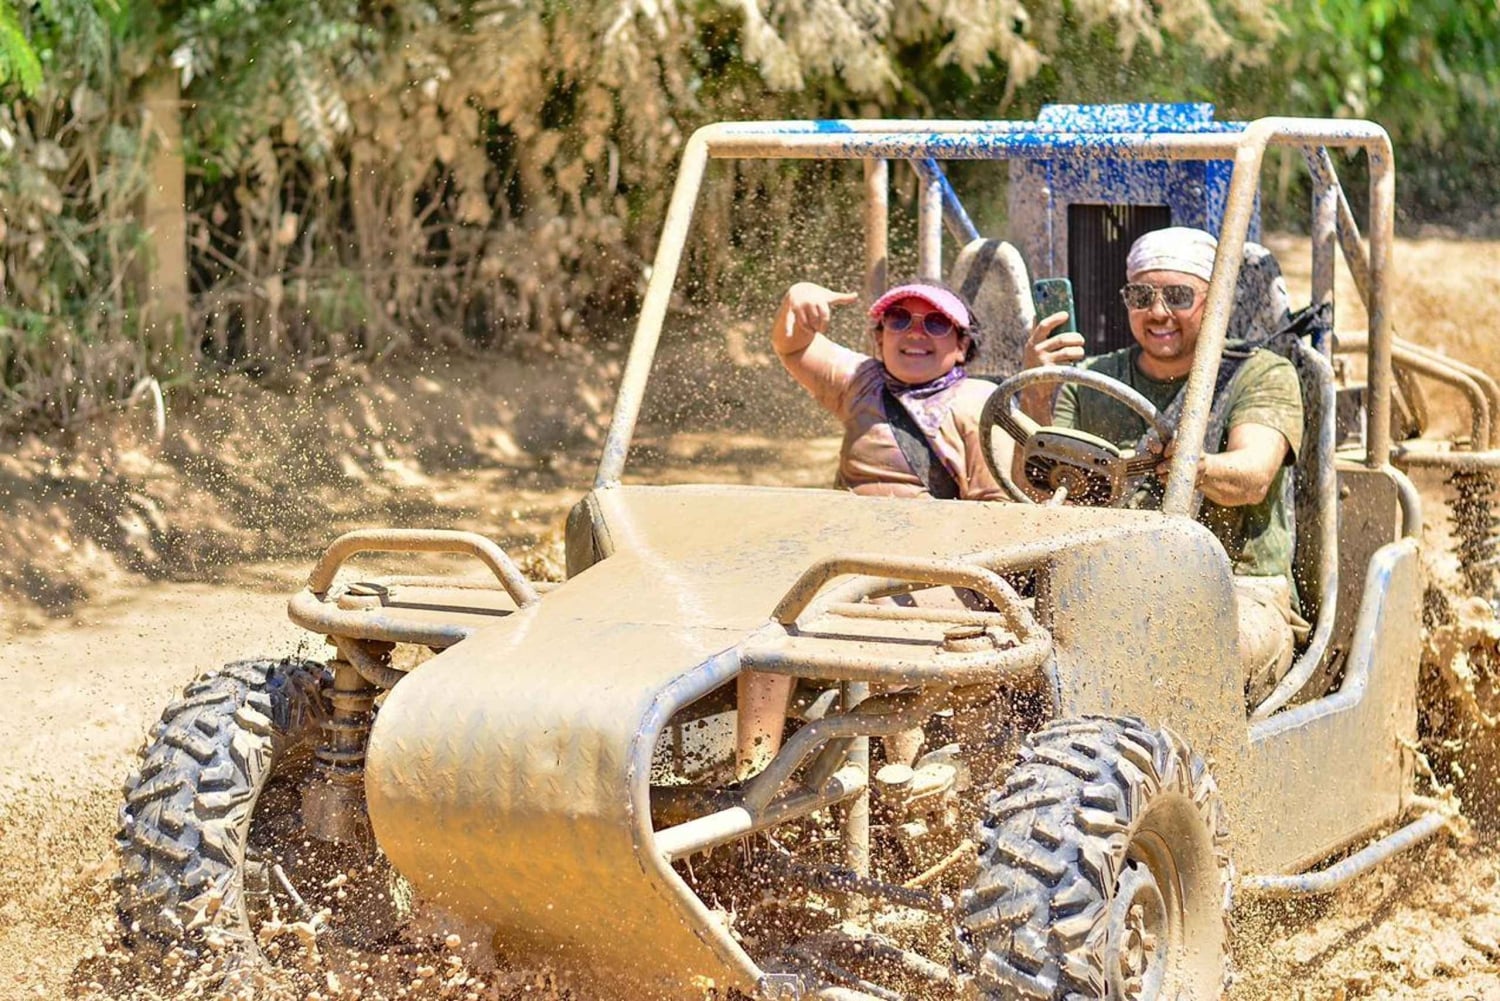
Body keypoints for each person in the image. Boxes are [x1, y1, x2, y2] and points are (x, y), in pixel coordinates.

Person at [1020, 226, 1307, 702]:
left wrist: (1195, 467)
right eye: (1141, 295)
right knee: (1000, 655)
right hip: (1104, 589)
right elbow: (1034, 491)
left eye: (1177, 295)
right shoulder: (1090, 380)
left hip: (1239, 592)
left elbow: (1252, 478)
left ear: (1214, 301)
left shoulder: (1263, 373)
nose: (1157, 312)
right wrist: (1035, 390)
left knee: (1171, 652)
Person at [736, 279, 1009, 779]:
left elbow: (994, 517)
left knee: (901, 623)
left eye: (935, 323)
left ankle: (950, 777)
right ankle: (754, 779)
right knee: (769, 626)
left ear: (963, 343)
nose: (915, 333)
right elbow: (792, 344)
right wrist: (793, 298)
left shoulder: (977, 403)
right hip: (845, 567)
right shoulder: (861, 381)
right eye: (899, 320)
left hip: (939, 576)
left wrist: (917, 563)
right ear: (878, 336)